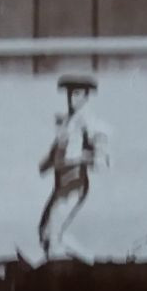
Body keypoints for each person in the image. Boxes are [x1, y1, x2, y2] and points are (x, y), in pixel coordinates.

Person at [38, 73, 111, 259]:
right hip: (61, 183)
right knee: (45, 233)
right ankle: (90, 262)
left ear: (86, 96)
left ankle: (89, 265)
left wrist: (91, 157)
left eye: (77, 94)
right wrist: (46, 163)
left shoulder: (88, 120)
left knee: (53, 236)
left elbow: (101, 151)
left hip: (75, 183)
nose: (72, 98)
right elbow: (57, 152)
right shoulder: (68, 121)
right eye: (70, 93)